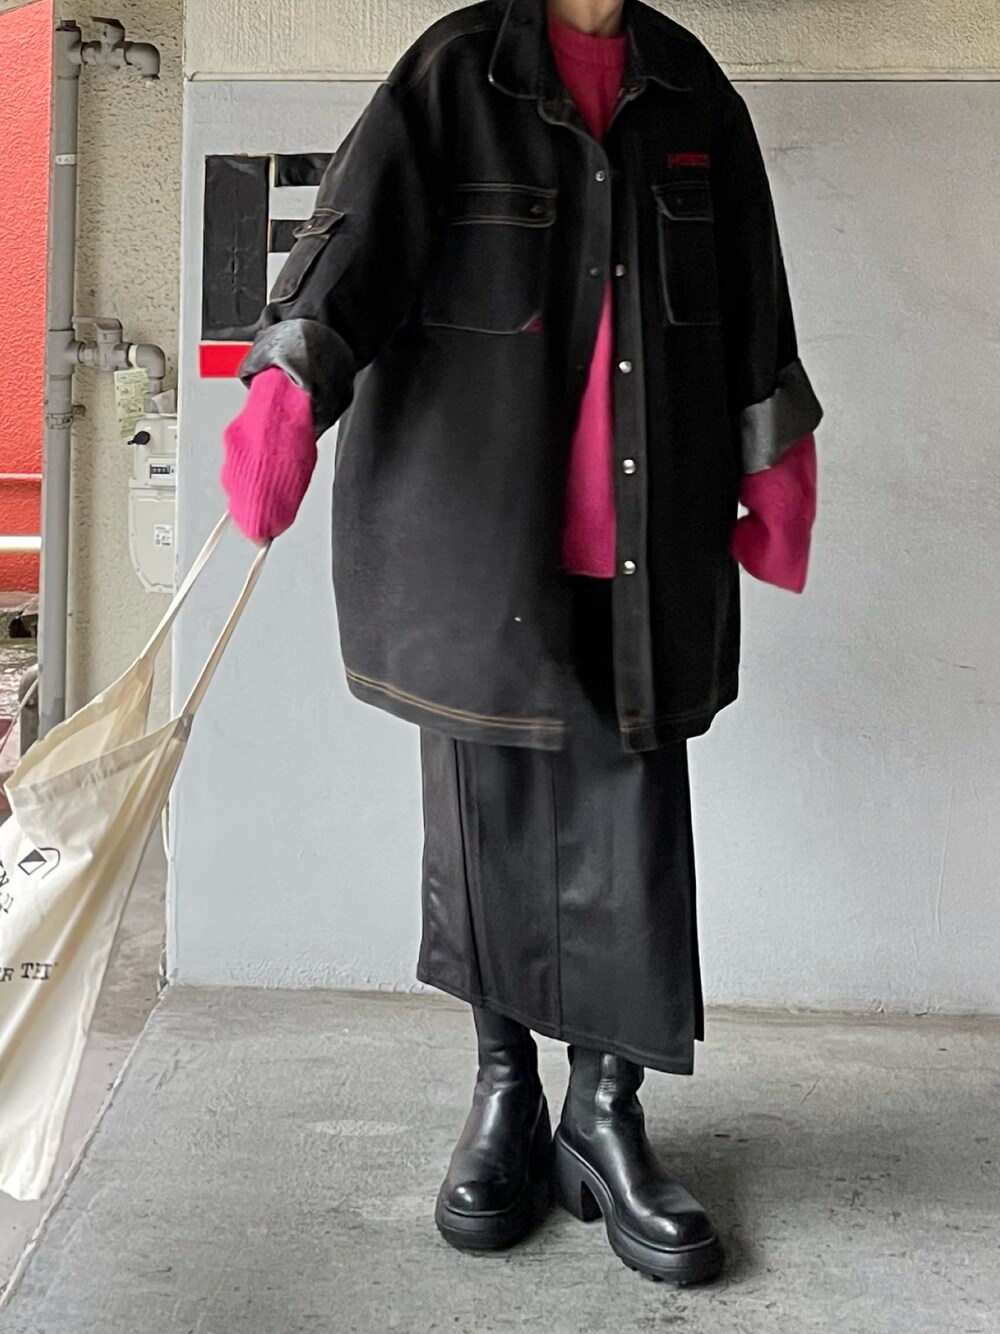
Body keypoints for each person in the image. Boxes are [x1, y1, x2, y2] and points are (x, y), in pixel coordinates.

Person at [221, 0, 821, 1287]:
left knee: (632, 842)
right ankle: (502, 1090)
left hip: (645, 542)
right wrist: (286, 391)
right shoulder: (452, 74)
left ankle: (603, 1114)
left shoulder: (690, 89)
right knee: (482, 828)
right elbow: (350, 245)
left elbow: (752, 292)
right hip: (479, 543)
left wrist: (780, 466)